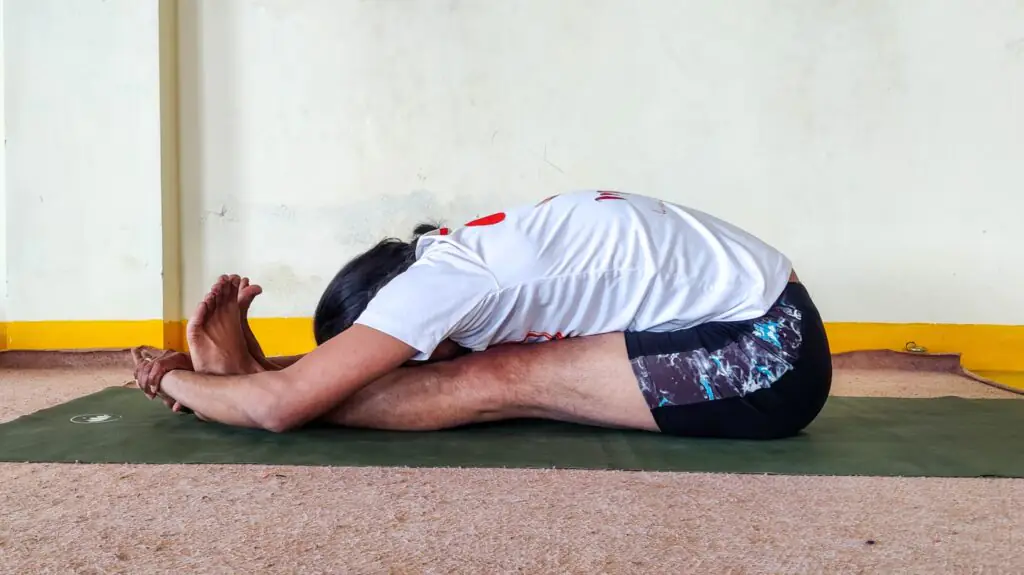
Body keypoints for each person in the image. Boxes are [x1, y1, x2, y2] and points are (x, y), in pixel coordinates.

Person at [135, 189, 832, 438]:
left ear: (391, 315)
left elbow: (283, 409)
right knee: (493, 367)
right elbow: (314, 382)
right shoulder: (455, 257)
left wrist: (176, 379)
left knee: (494, 380)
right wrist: (257, 374)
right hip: (770, 320)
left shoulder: (434, 293)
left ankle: (231, 385)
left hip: (767, 356)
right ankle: (238, 380)